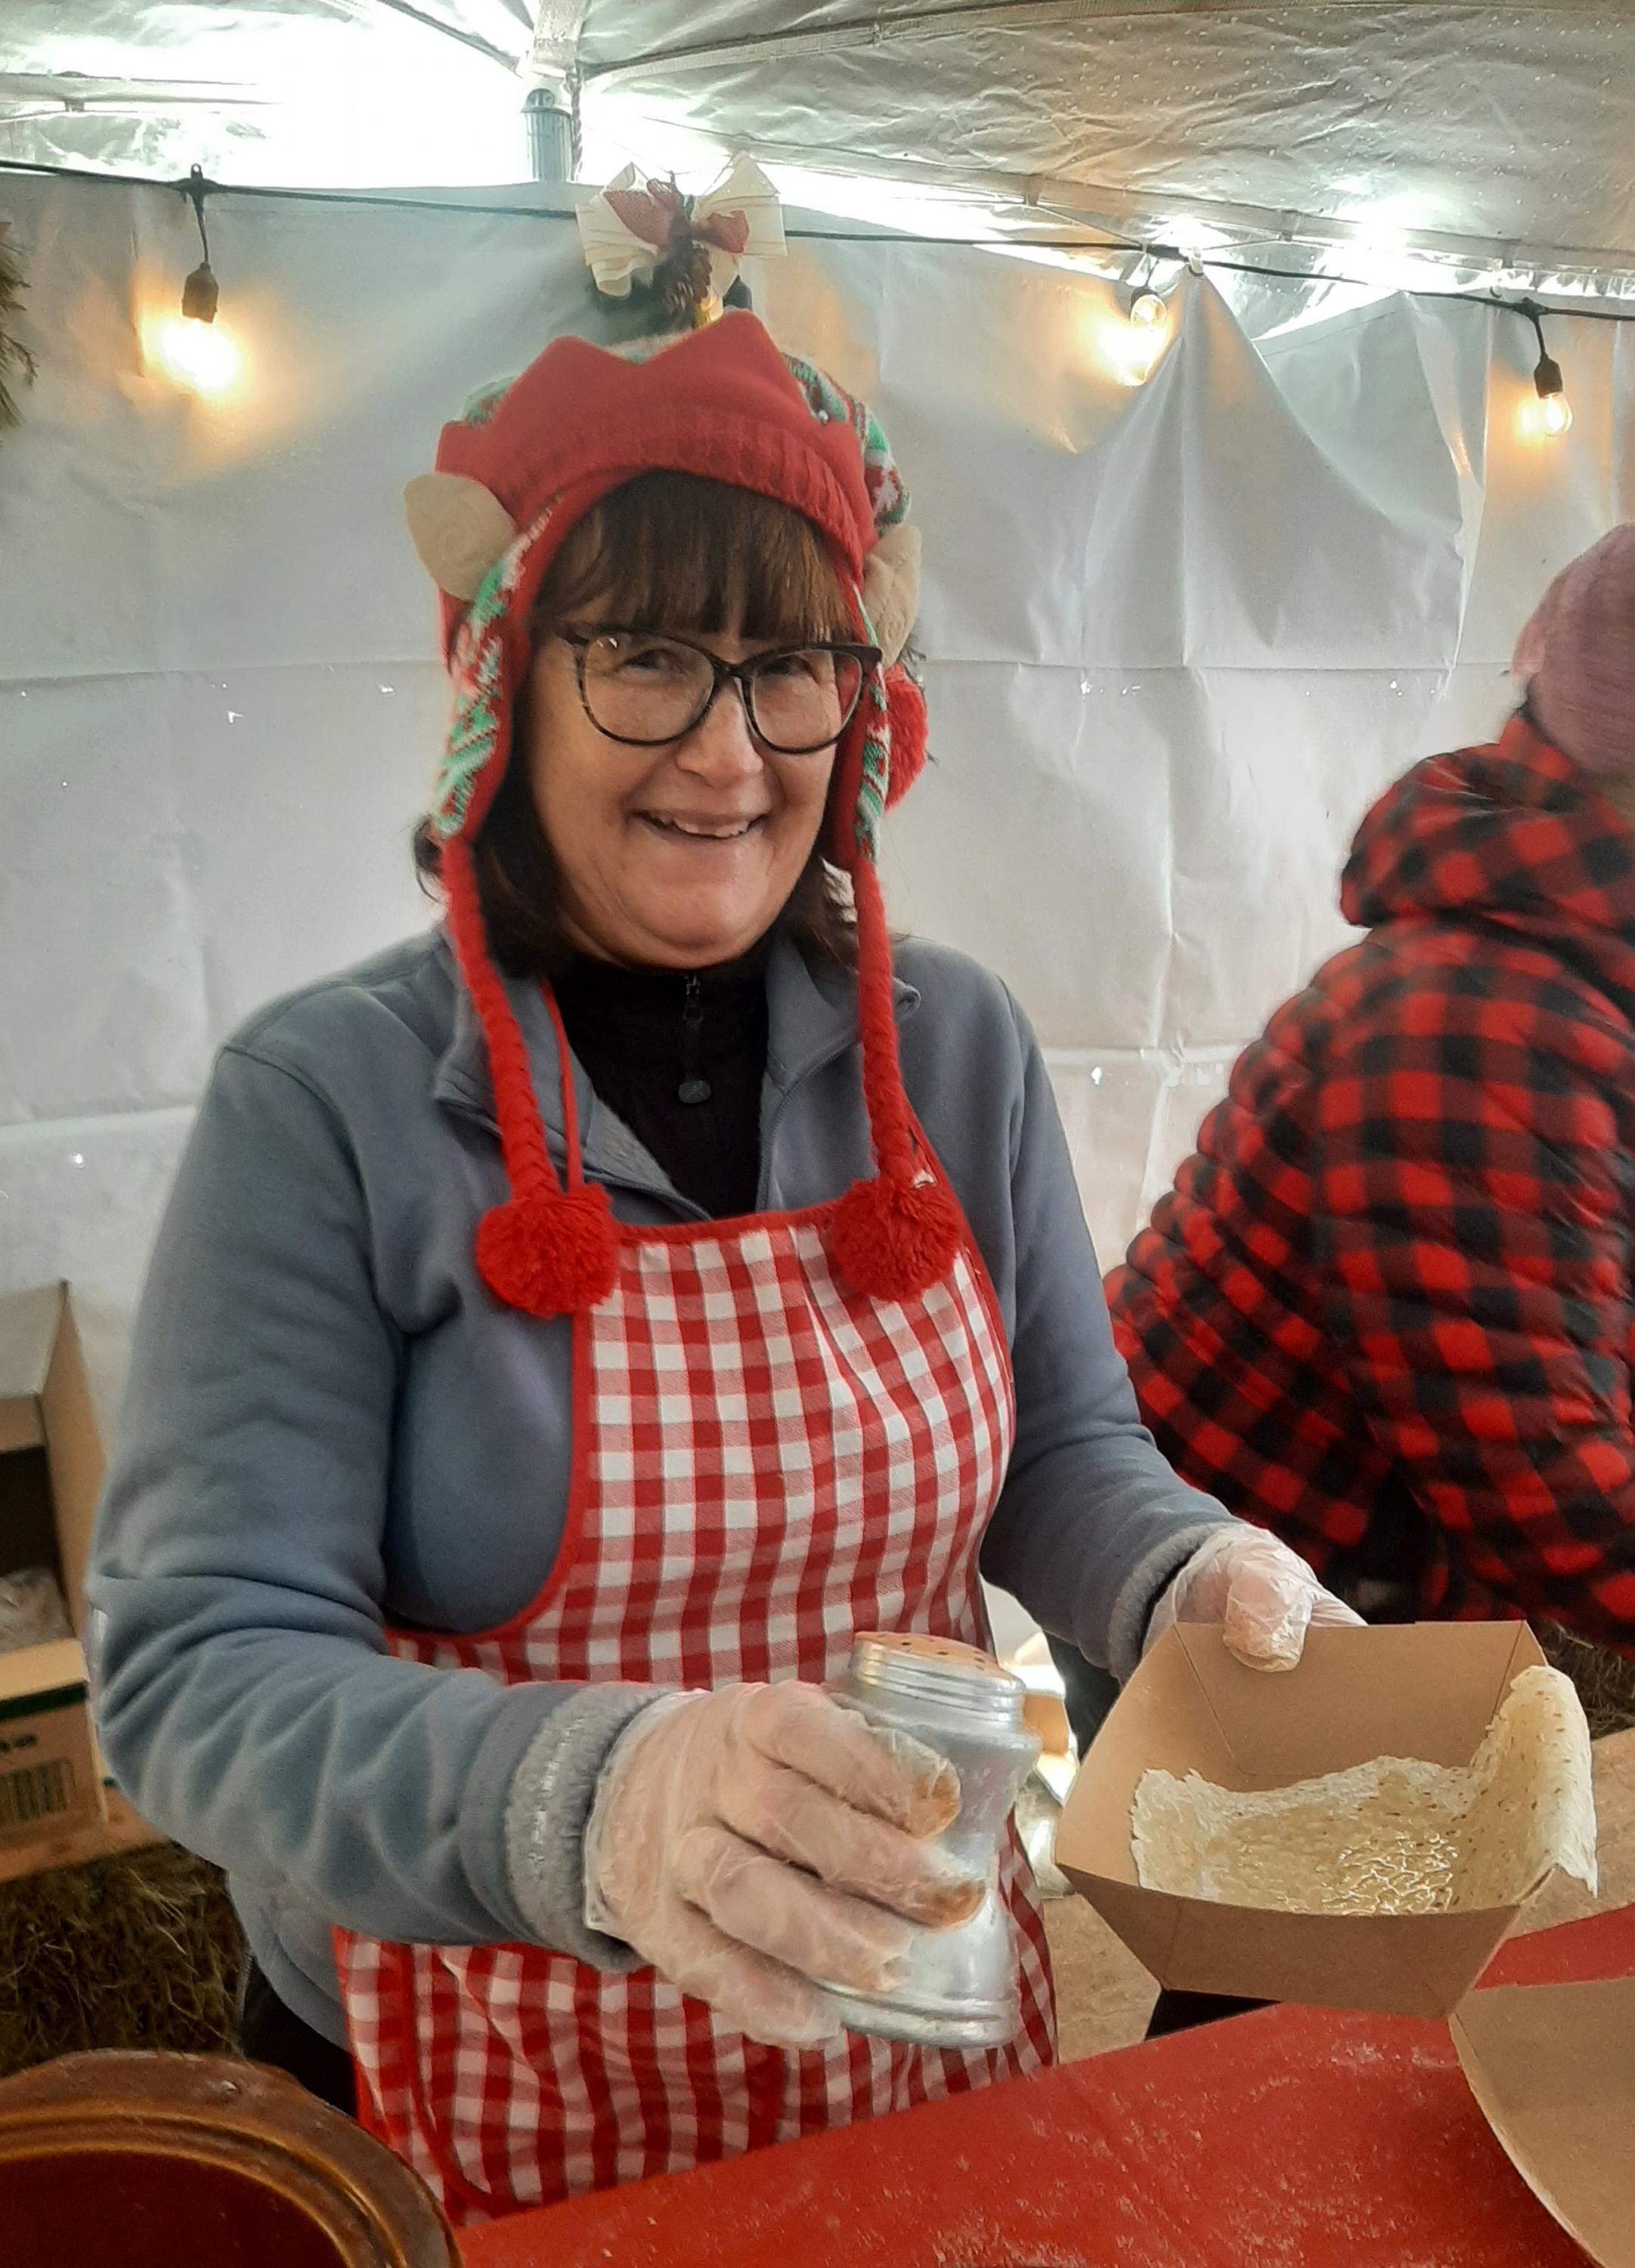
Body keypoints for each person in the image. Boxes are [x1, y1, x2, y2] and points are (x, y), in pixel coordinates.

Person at [90, 258, 1352, 2224]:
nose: (729, 751)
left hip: (905, 2007)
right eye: (648, 657)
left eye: (787, 668)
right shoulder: (329, 1108)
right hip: (478, 2045)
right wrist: (602, 1804)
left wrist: (1180, 1573)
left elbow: (1058, 1454)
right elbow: (198, 1670)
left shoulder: (952, 1050)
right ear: (506, 680)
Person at [1107, 525, 1635, 1656]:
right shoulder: (1491, 1016)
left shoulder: (1582, 959)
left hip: (1380, 1547)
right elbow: (1538, 1482)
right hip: (1246, 1574)